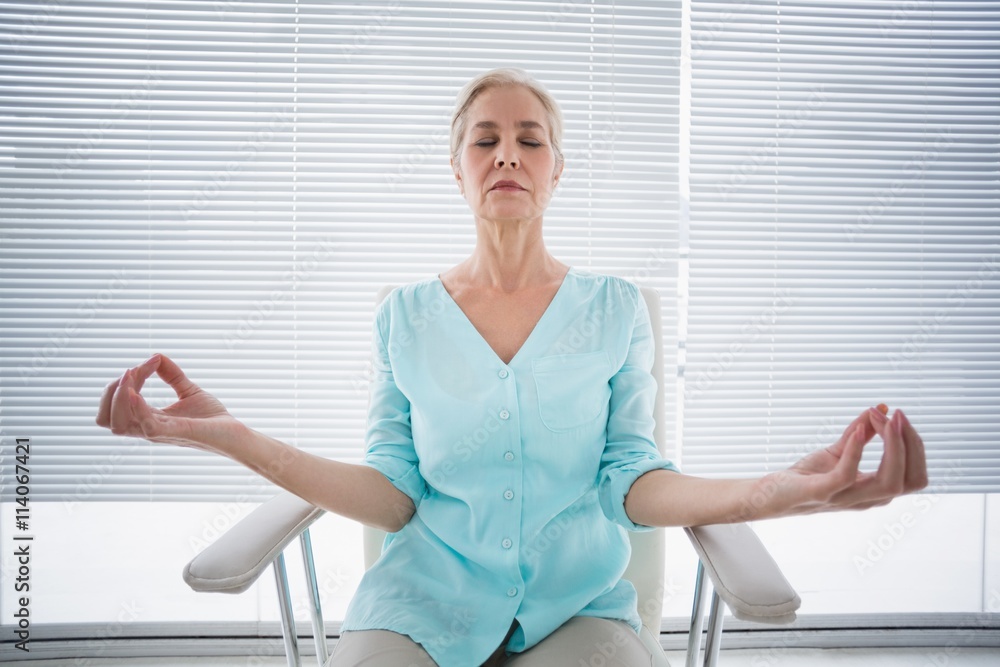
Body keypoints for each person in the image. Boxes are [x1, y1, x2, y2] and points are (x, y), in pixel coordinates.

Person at [95, 68, 928, 667]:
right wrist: (232, 437)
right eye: (484, 139)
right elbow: (390, 491)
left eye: (530, 140)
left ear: (556, 171)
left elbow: (632, 480)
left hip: (578, 611)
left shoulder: (613, 309)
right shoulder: (404, 317)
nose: (507, 154)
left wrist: (781, 488)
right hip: (418, 608)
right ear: (457, 170)